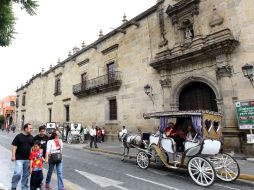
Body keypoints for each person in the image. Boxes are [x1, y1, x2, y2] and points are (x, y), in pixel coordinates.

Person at [11, 123, 33, 190]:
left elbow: (32, 148)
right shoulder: (18, 136)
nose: (31, 129)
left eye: (31, 128)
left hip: (28, 159)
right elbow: (14, 146)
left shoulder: (31, 137)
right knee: (18, 173)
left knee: (26, 175)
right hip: (19, 158)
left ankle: (24, 187)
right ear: (25, 129)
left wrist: (33, 158)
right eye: (30, 128)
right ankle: (14, 185)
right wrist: (13, 156)